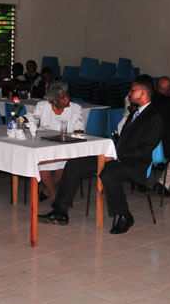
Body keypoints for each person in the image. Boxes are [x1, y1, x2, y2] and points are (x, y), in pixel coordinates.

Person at [38, 75, 163, 235]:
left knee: (109, 173)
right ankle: (60, 211)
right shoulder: (134, 113)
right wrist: (109, 153)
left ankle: (125, 215)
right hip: (118, 157)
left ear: (143, 92)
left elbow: (145, 148)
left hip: (135, 163)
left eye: (132, 90)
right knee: (76, 163)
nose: (129, 94)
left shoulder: (155, 116)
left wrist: (117, 155)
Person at [33, 81, 84, 201]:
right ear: (54, 100)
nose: (67, 99)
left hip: (65, 148)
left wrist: (78, 131)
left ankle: (48, 191)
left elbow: (79, 129)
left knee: (64, 166)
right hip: (44, 146)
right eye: (63, 97)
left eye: (67, 95)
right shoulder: (42, 106)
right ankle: (56, 197)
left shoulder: (76, 109)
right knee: (43, 165)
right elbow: (32, 119)